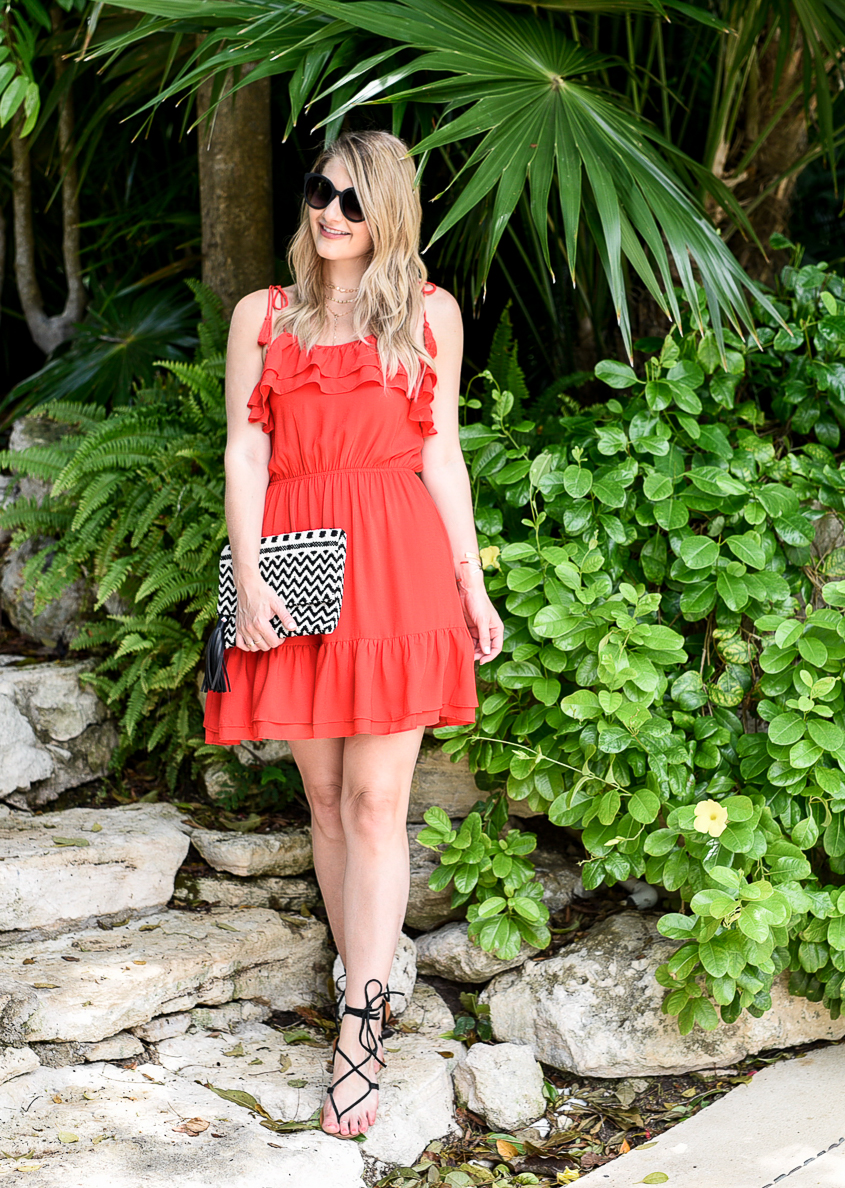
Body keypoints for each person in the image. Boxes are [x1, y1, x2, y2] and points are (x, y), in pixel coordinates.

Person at [202, 129, 503, 1138]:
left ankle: (360, 1034)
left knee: (378, 804)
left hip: (398, 566)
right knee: (326, 802)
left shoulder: (430, 317)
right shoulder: (265, 316)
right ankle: (361, 971)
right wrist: (244, 578)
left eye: (352, 199)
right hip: (293, 565)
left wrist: (472, 583)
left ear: (390, 213)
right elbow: (246, 453)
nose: (331, 213)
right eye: (319, 191)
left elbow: (443, 455)